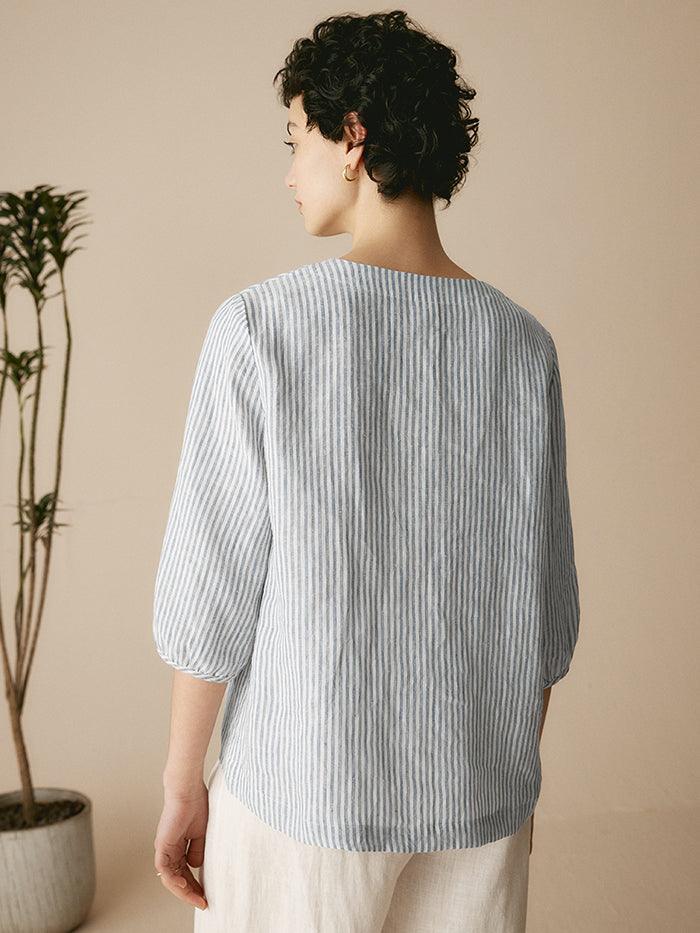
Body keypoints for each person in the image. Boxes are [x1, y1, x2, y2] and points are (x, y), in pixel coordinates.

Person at [152, 10, 580, 932]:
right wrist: (512, 785)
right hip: (479, 796)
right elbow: (544, 613)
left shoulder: (261, 327)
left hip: (302, 794)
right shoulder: (523, 347)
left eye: (295, 139)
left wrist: (183, 783)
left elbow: (209, 595)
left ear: (352, 137)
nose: (288, 171)